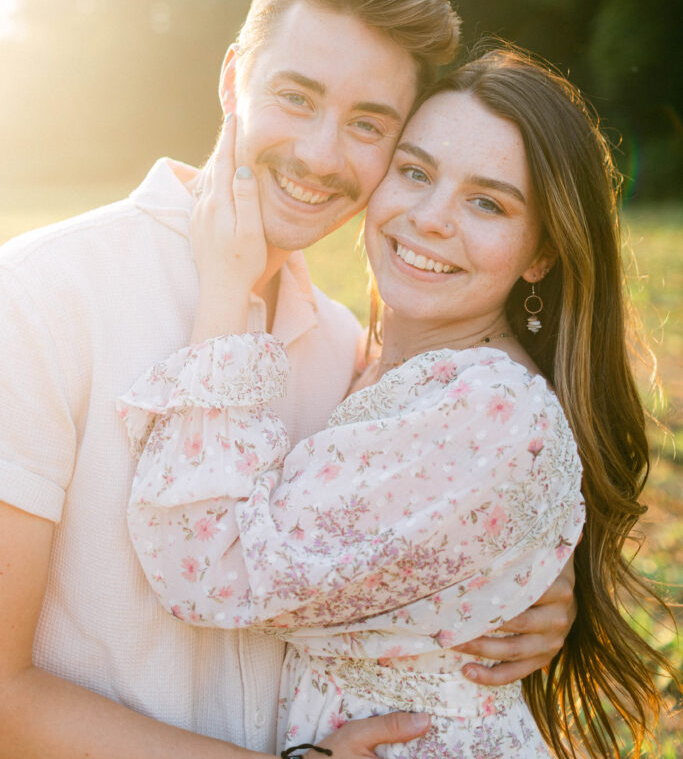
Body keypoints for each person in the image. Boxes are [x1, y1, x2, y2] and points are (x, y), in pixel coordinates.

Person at [0, 0, 574, 759]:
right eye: (296, 98)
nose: (317, 155)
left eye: (367, 124)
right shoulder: (36, 299)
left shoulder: (344, 348)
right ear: (234, 78)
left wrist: (522, 583)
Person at [123, 49, 666, 759]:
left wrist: (227, 291)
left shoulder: (487, 413)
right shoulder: (365, 358)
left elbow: (214, 573)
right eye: (414, 172)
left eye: (487, 202)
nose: (429, 217)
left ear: (540, 253)